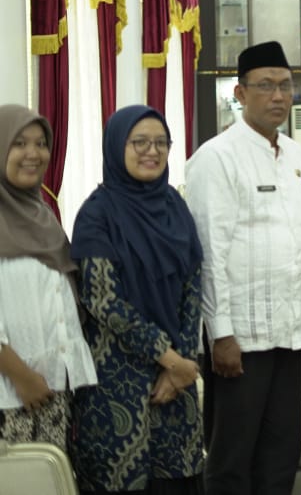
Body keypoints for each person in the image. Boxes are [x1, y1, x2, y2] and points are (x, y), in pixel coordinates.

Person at [185, 41, 301, 495]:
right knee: (230, 460)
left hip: (289, 333)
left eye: (285, 86)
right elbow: (209, 254)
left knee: (282, 456)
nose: (278, 96)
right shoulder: (215, 157)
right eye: (265, 86)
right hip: (239, 340)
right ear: (240, 94)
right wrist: (220, 333)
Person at [71, 105, 204, 494]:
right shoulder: (96, 214)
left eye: (161, 143)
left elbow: (192, 288)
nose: (152, 151)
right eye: (140, 142)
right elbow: (103, 299)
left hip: (175, 383)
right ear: (116, 145)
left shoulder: (176, 208)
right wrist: (172, 359)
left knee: (177, 481)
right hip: (117, 382)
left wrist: (179, 365)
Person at [0, 105, 95, 450]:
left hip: (52, 390)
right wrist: (21, 377)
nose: (33, 154)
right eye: (19, 143)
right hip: (10, 396)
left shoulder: (44, 215)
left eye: (41, 144)